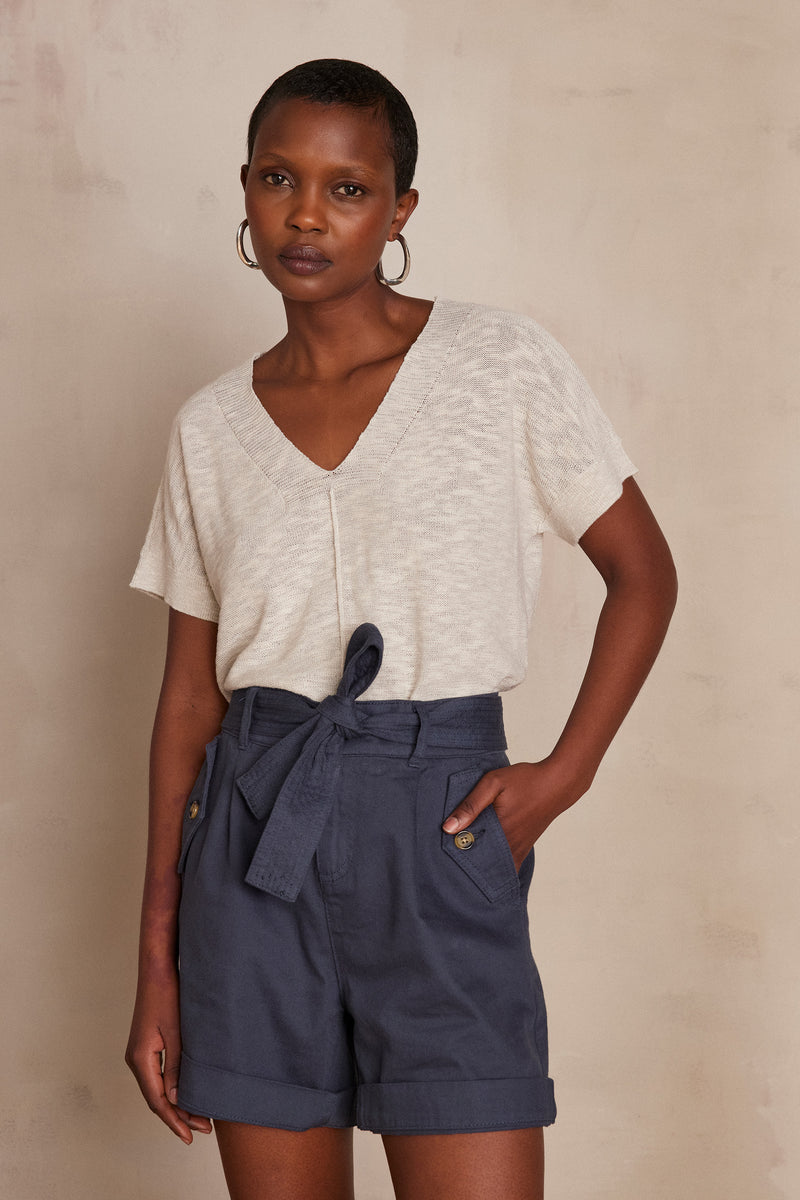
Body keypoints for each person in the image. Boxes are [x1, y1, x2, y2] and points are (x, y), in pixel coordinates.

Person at [125, 58, 677, 1200]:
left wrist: (563, 776)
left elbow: (643, 574)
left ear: (398, 211)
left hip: (439, 826)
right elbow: (187, 701)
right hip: (252, 841)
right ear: (244, 189)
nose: (306, 215)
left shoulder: (498, 363)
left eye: (347, 188)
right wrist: (156, 964)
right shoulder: (209, 429)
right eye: (279, 178)